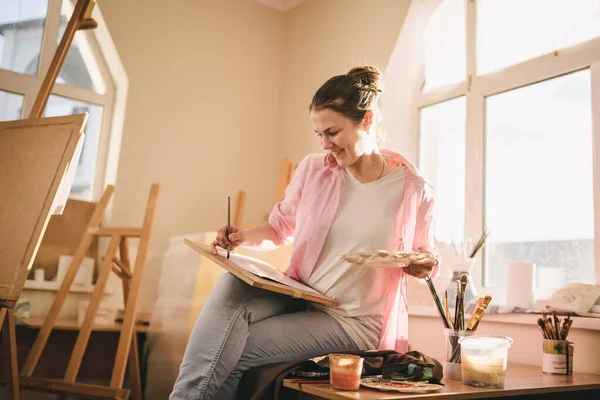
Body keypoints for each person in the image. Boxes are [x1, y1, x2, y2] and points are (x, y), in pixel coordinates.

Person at [170, 65, 439, 400]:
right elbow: (280, 228)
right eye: (320, 135)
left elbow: (426, 256)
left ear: (367, 120)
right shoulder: (314, 169)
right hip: (302, 296)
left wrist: (422, 264)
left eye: (333, 132)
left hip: (352, 320)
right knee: (232, 284)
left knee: (225, 349)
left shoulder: (413, 189)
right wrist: (242, 237)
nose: (326, 144)